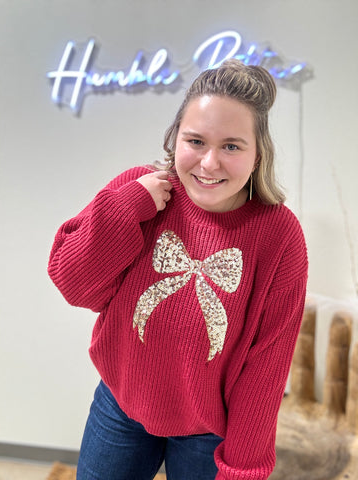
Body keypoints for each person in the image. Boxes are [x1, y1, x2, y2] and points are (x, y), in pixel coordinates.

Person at [48, 59, 308, 480]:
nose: (209, 163)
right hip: (119, 407)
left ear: (259, 154)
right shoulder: (139, 193)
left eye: (231, 146)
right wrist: (125, 208)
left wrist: (242, 469)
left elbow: (266, 366)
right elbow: (74, 285)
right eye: (196, 141)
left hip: (209, 431)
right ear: (175, 138)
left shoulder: (278, 235)